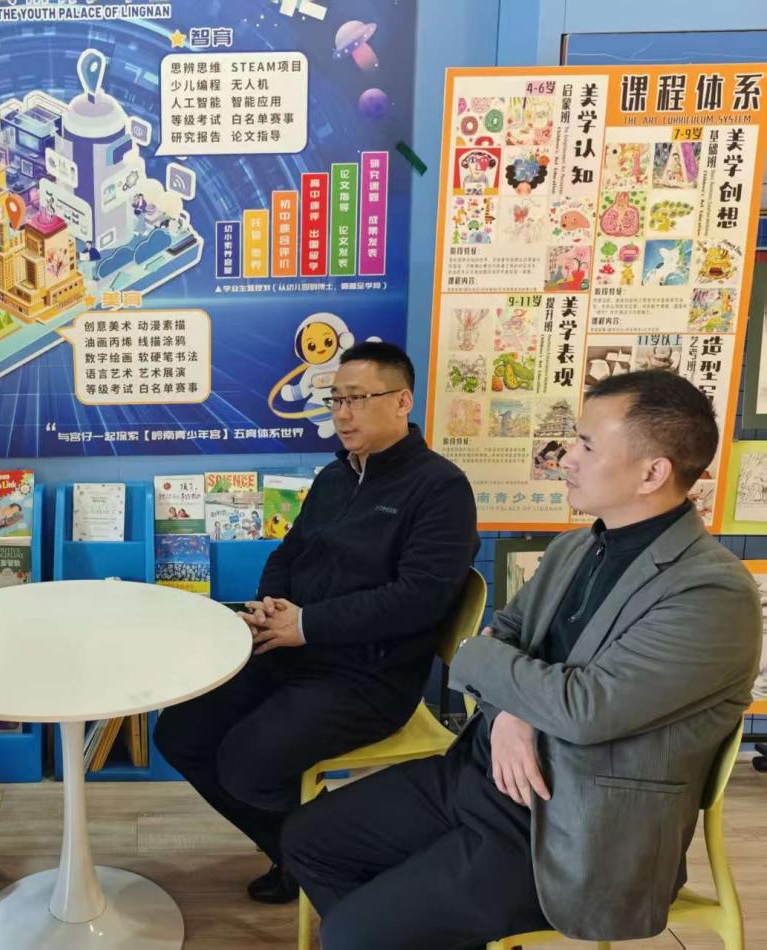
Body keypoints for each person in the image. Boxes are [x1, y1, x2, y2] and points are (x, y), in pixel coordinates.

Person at [282, 369, 762, 949]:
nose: (566, 458)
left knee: (353, 934)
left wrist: (491, 673)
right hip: (480, 772)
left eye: (587, 445)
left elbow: (581, 709)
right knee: (307, 839)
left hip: (570, 827)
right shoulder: (577, 546)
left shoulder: (711, 594)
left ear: (652, 473)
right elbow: (502, 636)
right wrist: (511, 712)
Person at [154, 341, 479, 903]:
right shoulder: (335, 477)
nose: (343, 414)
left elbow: (418, 599)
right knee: (180, 732)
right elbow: (289, 552)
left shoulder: (441, 488)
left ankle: (338, 857)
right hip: (295, 649)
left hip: (370, 676)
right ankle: (296, 853)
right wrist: (271, 605)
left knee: (247, 764)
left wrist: (307, 624)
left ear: (402, 401)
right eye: (336, 401)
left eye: (357, 399)